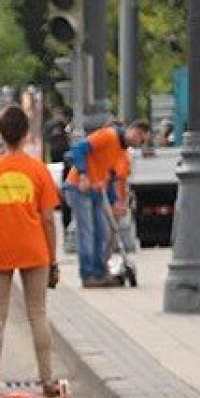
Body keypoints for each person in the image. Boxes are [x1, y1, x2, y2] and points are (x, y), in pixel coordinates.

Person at [0, 105, 63, 398]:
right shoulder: (38, 170)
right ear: (26, 133)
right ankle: (47, 381)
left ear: (0, 133)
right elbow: (48, 220)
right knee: (38, 314)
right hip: (35, 250)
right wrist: (53, 260)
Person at [63, 119, 149, 288]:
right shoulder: (108, 136)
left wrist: (115, 201)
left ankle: (100, 273)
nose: (141, 145)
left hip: (97, 190)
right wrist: (83, 175)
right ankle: (88, 275)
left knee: (103, 232)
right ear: (135, 132)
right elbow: (78, 149)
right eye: (142, 140)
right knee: (87, 232)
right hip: (79, 187)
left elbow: (109, 177)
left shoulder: (121, 152)